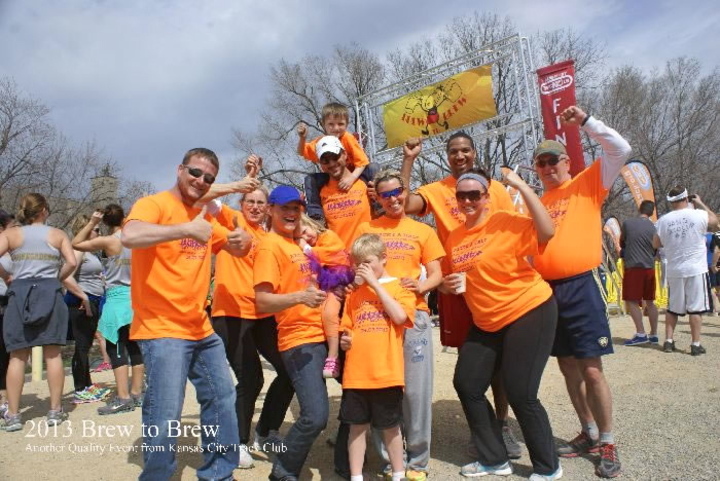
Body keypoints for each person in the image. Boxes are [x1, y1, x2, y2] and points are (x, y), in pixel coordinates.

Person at [122, 147, 252, 480]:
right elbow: (131, 235)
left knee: (222, 397)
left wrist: (242, 237)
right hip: (161, 328)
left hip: (200, 328)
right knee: (165, 412)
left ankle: (219, 473)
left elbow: (237, 246)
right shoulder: (153, 204)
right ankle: (156, 476)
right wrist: (184, 230)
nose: (200, 181)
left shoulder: (205, 216)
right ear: (180, 169)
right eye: (195, 172)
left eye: (209, 178)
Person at [399, 133, 522, 458]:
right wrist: (409, 160)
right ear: (448, 156)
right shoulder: (437, 190)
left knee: (500, 360)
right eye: (453, 151)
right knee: (472, 356)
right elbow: (406, 203)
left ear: (473, 152)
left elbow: (513, 230)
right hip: (456, 288)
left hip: (494, 285)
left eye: (465, 150)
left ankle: (502, 423)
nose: (459, 155)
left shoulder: (495, 188)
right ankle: (480, 428)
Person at [531, 105, 631, 478]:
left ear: (567, 161)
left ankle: (608, 440)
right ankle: (588, 430)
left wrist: (587, 122)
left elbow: (621, 150)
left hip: (580, 286)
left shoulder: (587, 183)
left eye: (553, 160)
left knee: (591, 368)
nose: (547, 167)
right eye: (540, 162)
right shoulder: (537, 203)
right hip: (547, 291)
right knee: (567, 366)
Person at [443, 169, 561, 480]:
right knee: (467, 384)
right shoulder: (455, 237)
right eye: (461, 195)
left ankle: (548, 467)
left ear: (485, 197)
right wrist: (450, 284)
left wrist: (521, 186)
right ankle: (495, 460)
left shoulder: (505, 221)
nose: (468, 200)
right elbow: (454, 280)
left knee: (521, 392)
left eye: (474, 195)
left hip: (528, 310)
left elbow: (547, 232)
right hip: (486, 320)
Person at [355, 169, 445, 481]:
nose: (393, 199)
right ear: (377, 198)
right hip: (376, 318)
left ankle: (417, 462)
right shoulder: (367, 228)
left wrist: (423, 287)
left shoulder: (423, 231)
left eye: (397, 192)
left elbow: (436, 273)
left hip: (412, 315)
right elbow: (356, 268)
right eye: (385, 195)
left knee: (416, 393)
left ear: (405, 192)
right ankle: (388, 459)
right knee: (383, 389)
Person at [210, 175, 294, 469]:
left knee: (289, 368)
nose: (255, 207)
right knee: (250, 379)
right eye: (251, 201)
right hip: (231, 313)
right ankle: (237, 442)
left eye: (261, 202)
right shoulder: (232, 219)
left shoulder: (270, 235)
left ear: (268, 208)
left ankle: (266, 430)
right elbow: (206, 195)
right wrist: (238, 184)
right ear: (241, 203)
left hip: (263, 315)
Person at [254, 185, 328, 481]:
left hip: (321, 336)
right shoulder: (269, 246)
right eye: (284, 207)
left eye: (296, 208)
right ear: (270, 210)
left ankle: (349, 462)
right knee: (314, 415)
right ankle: (283, 470)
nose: (291, 213)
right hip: (299, 340)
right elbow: (262, 300)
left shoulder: (296, 246)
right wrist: (300, 298)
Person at [339, 233, 416, 481]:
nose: (361, 267)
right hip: (356, 375)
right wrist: (344, 339)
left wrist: (375, 284)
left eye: (367, 262)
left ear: (384, 259)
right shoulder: (354, 293)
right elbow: (346, 327)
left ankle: (398, 473)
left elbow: (400, 317)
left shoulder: (400, 287)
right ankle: (356, 475)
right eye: (357, 262)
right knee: (356, 428)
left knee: (391, 428)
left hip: (387, 374)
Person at [0, 193, 76, 432]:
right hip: (49, 292)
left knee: (17, 355)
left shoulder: (10, 234)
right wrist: (56, 278)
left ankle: (13, 415)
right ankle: (54, 410)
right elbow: (72, 262)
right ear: (44, 210)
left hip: (19, 293)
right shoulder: (57, 234)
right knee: (52, 354)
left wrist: (6, 277)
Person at [71, 205, 145, 415]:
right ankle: (138, 393)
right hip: (136, 298)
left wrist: (92, 222)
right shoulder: (136, 240)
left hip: (116, 299)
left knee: (115, 347)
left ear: (106, 222)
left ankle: (123, 397)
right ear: (124, 218)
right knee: (134, 346)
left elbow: (76, 243)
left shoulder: (109, 241)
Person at [653, 188, 718, 356]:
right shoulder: (697, 214)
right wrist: (700, 203)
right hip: (696, 268)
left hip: (675, 269)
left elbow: (655, 243)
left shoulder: (663, 220)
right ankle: (695, 344)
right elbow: (715, 222)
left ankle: (668, 341)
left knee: (673, 308)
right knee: (696, 308)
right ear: (686, 198)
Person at [296, 214, 354, 378]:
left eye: (306, 231)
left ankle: (333, 356)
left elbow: (331, 254)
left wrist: (305, 247)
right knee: (325, 313)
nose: (307, 237)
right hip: (327, 284)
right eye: (302, 238)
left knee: (329, 313)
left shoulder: (328, 235)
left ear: (311, 224)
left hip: (340, 279)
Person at [297, 102, 376, 221]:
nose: (336, 128)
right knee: (310, 179)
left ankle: (378, 204)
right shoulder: (320, 142)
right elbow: (302, 151)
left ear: (347, 124)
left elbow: (363, 162)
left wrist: (351, 178)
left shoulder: (348, 138)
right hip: (332, 176)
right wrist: (302, 138)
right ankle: (316, 213)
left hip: (356, 172)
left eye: (340, 124)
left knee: (374, 167)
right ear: (324, 125)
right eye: (331, 125)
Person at [64, 214, 110, 404]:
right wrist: (83, 297)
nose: (99, 232)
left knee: (86, 344)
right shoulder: (77, 250)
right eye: (96, 229)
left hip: (93, 300)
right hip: (81, 303)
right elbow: (66, 277)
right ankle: (79, 389)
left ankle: (87, 384)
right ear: (85, 229)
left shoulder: (90, 252)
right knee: (81, 346)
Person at [317, 135, 373, 249]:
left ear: (345, 155)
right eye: (326, 161)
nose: (332, 164)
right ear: (321, 165)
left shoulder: (366, 183)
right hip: (341, 262)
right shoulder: (320, 193)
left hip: (369, 257)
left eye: (335, 157)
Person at [620, 200, 660, 345]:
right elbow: (656, 247)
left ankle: (641, 333)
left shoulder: (628, 223)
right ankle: (654, 334)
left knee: (631, 300)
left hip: (633, 266)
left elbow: (622, 242)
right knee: (650, 301)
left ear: (640, 209)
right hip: (649, 267)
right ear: (651, 212)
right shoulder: (654, 227)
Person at [0, 210, 17, 417]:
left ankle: (4, 396)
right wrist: (5, 276)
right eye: (12, 227)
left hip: (8, 301)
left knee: (5, 350)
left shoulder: (9, 249)